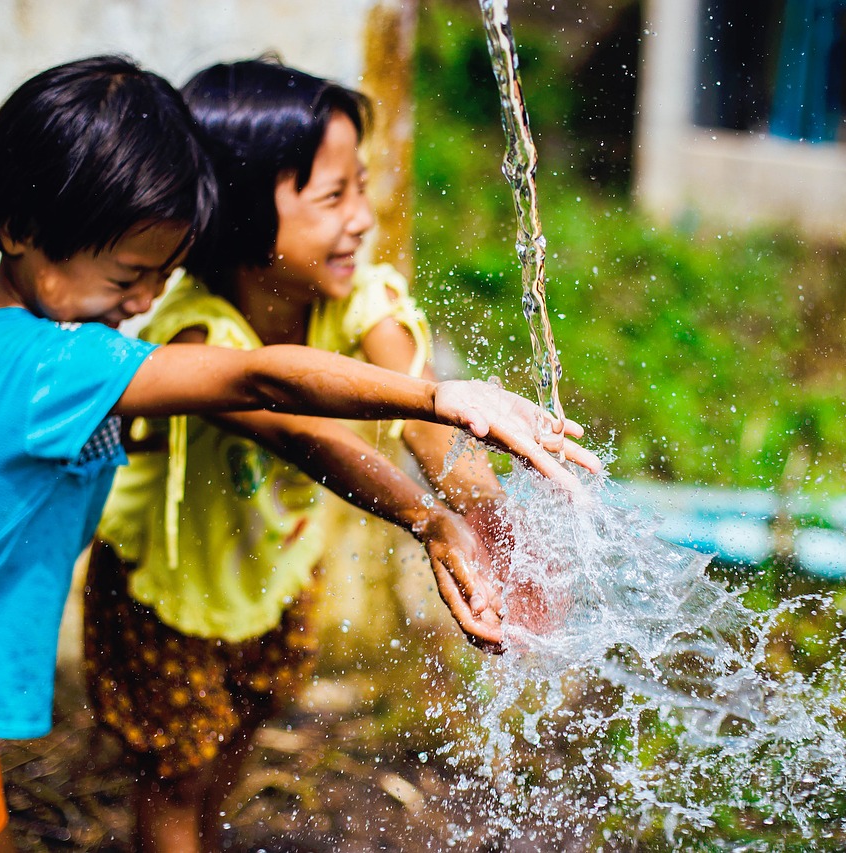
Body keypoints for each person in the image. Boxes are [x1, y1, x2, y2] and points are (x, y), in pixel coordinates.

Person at [0, 55, 598, 853]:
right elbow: (264, 380)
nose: (141, 304)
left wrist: (461, 500)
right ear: (22, 231)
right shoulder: (61, 362)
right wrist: (439, 398)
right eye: (129, 275)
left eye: (159, 275)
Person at [83, 57, 531, 853]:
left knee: (245, 723)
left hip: (277, 566)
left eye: (361, 185)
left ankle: (201, 836)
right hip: (166, 586)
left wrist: (492, 521)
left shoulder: (356, 297)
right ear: (240, 215)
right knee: (175, 772)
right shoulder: (196, 331)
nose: (362, 216)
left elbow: (426, 414)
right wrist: (426, 519)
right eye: (333, 197)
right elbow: (302, 431)